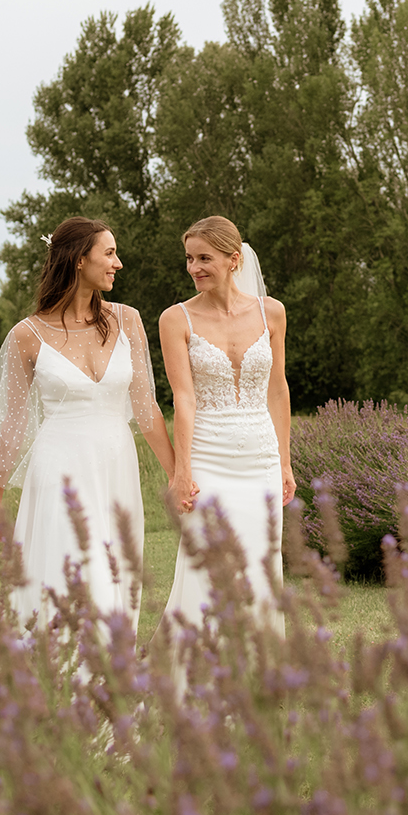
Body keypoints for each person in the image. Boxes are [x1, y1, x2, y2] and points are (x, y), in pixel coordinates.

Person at [0, 216, 176, 635]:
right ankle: (67, 674)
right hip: (59, 468)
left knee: (116, 571)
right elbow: (11, 425)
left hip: (116, 469)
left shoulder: (129, 320)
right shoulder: (26, 335)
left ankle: (109, 680)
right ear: (78, 260)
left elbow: (147, 410)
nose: (118, 263)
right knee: (71, 574)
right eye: (109, 253)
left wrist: (179, 477)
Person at [158, 216, 293, 638]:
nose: (194, 267)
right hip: (208, 457)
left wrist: (285, 463)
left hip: (261, 458)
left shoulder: (272, 313)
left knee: (259, 561)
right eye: (189, 258)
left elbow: (277, 391)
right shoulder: (175, 319)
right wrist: (182, 471)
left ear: (234, 260)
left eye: (204, 258)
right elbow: (184, 397)